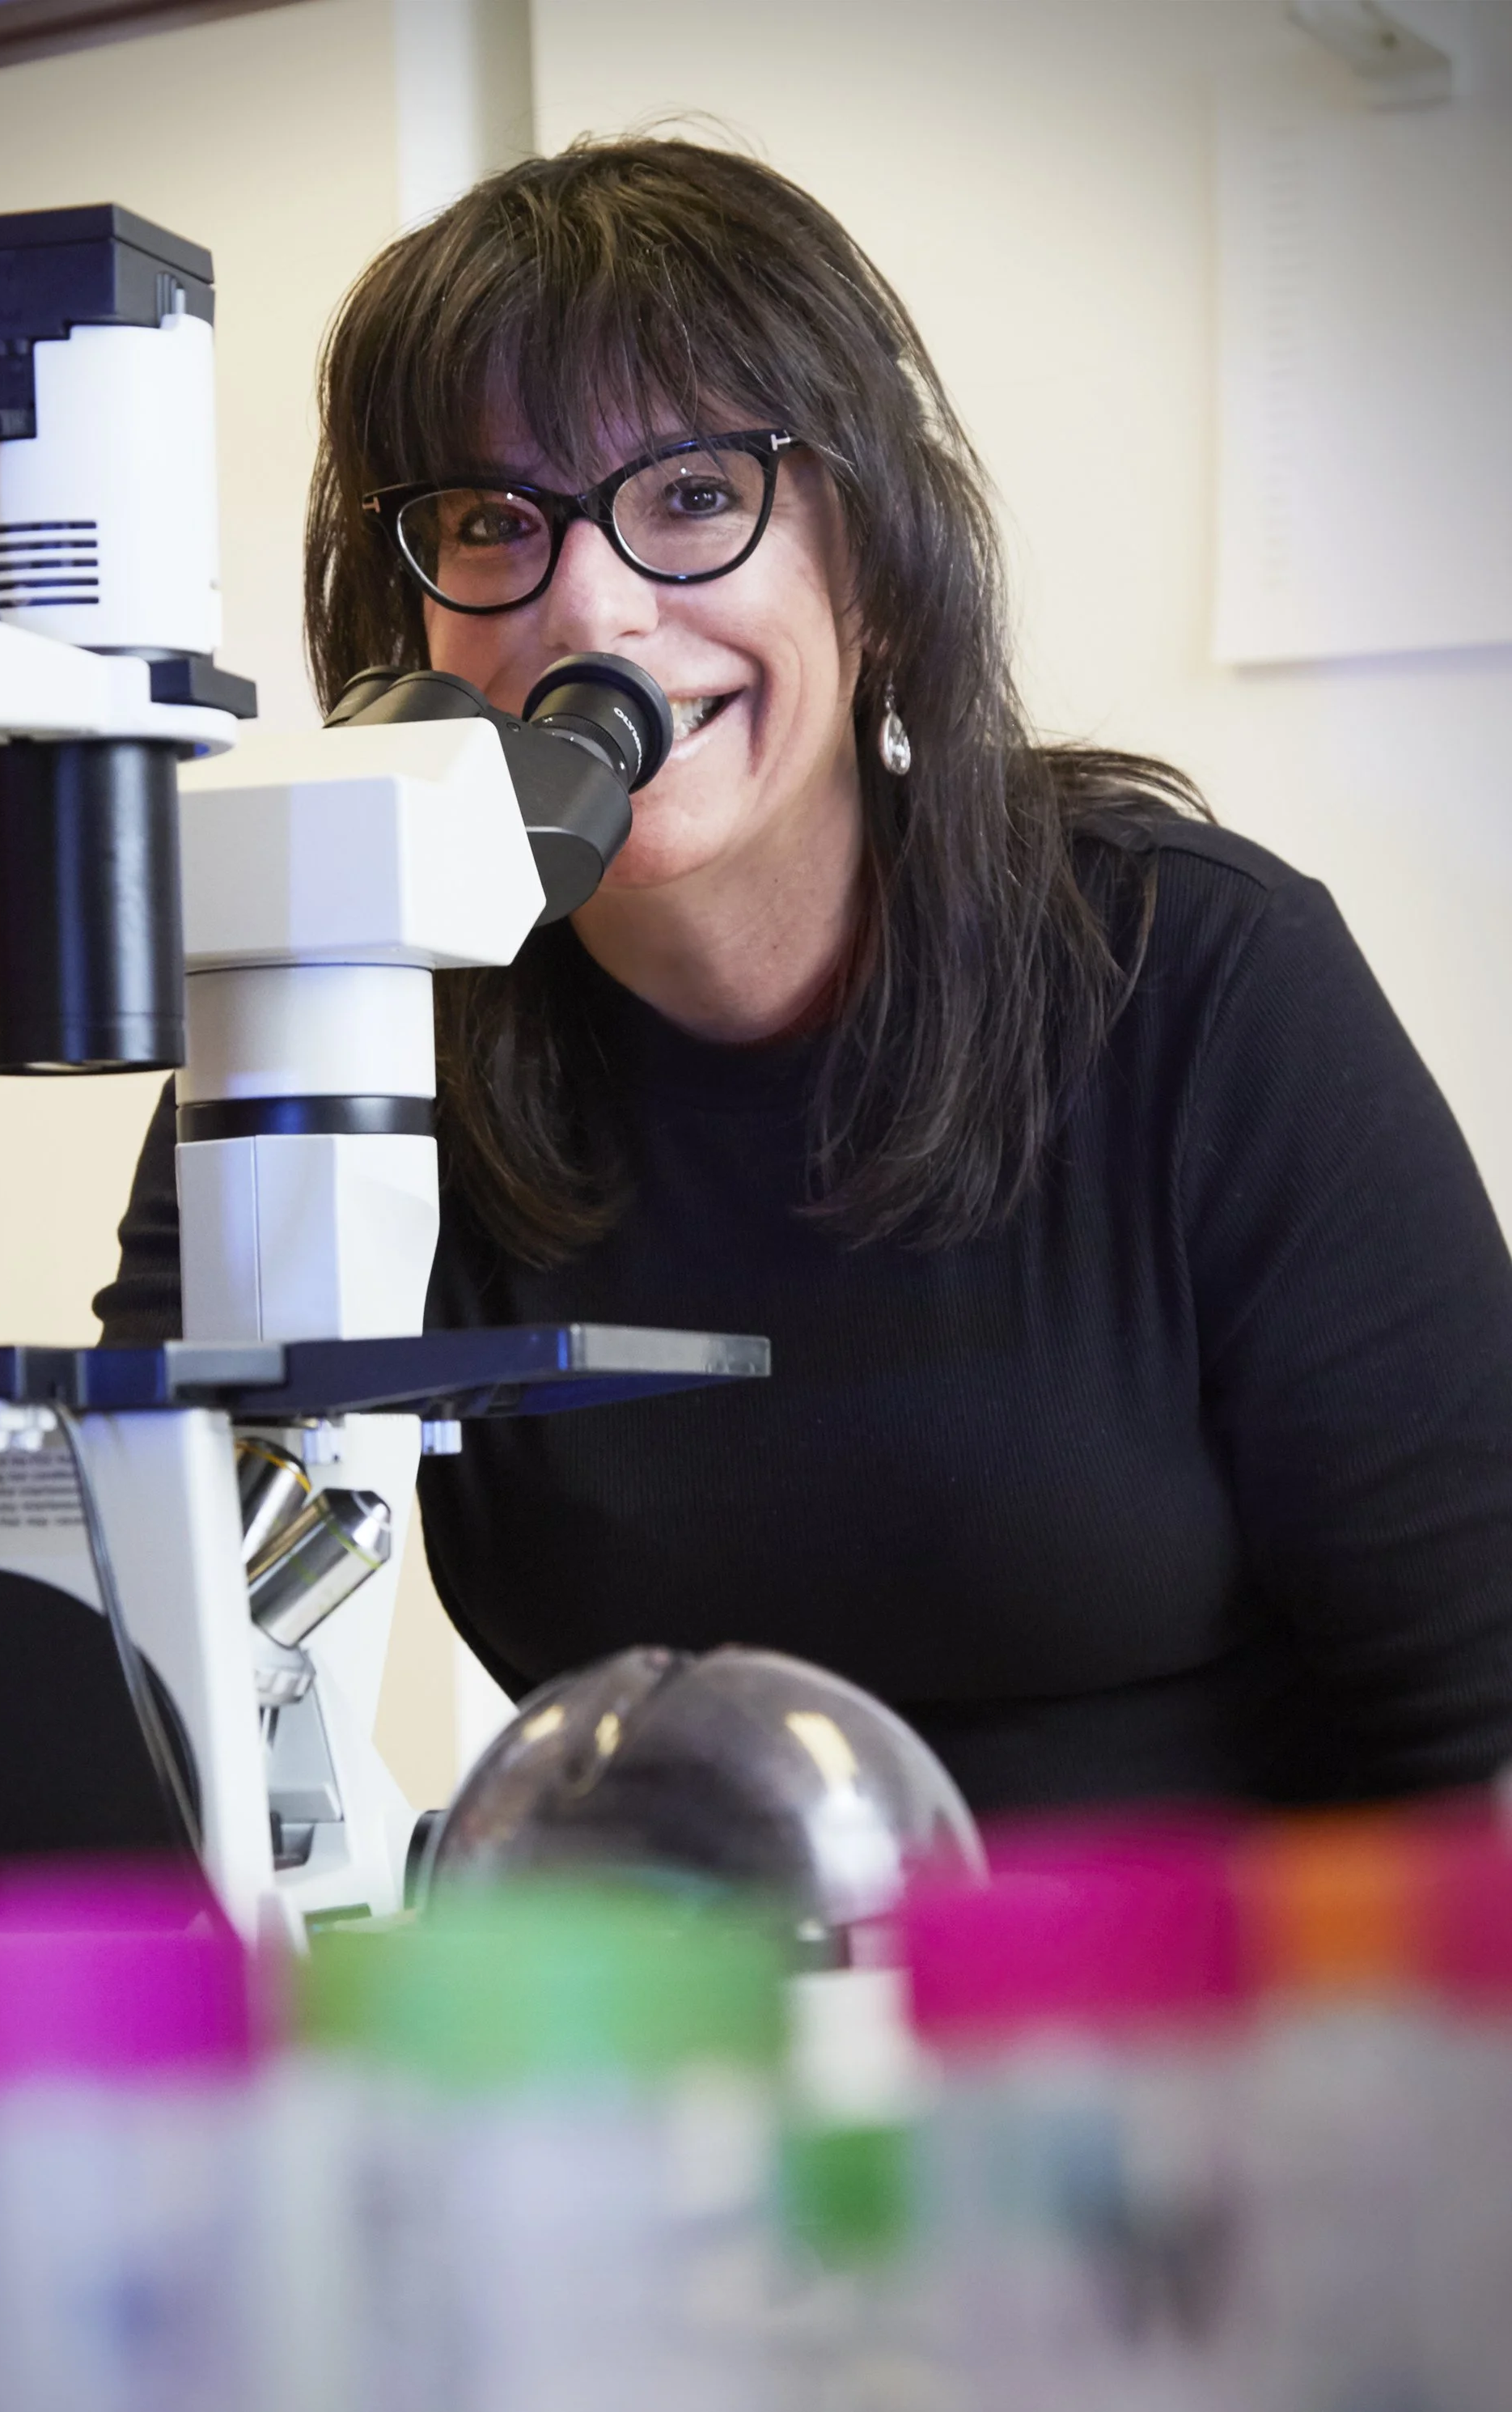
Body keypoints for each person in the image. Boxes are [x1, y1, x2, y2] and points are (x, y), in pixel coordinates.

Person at [96, 138, 1512, 1814]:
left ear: (880, 560)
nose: (592, 608)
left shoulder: (1199, 981)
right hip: (687, 2043)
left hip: (1217, 2029)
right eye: (492, 521)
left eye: (695, 493)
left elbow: (1476, 1739)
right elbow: (131, 1632)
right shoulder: (335, 1023)